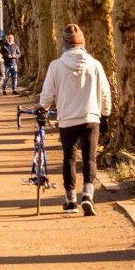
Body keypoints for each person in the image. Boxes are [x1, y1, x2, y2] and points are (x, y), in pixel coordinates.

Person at [39, 23, 112, 215]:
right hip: (90, 117)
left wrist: (42, 108)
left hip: (67, 120)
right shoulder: (95, 65)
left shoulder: (55, 66)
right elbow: (105, 93)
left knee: (69, 159)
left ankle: (70, 200)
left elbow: (47, 94)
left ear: (64, 43)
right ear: (82, 43)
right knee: (89, 158)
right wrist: (105, 113)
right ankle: (88, 195)